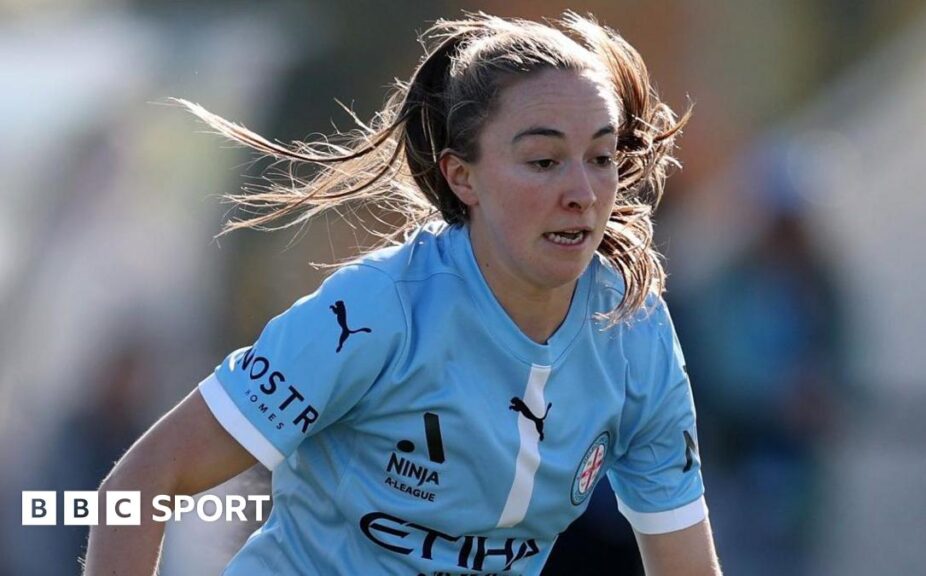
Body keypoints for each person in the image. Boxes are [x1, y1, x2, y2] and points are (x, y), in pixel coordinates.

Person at [84, 12, 721, 575]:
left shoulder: (634, 332)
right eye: (543, 161)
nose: (581, 192)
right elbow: (140, 483)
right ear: (462, 177)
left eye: (601, 158)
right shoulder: (372, 312)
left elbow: (687, 565)